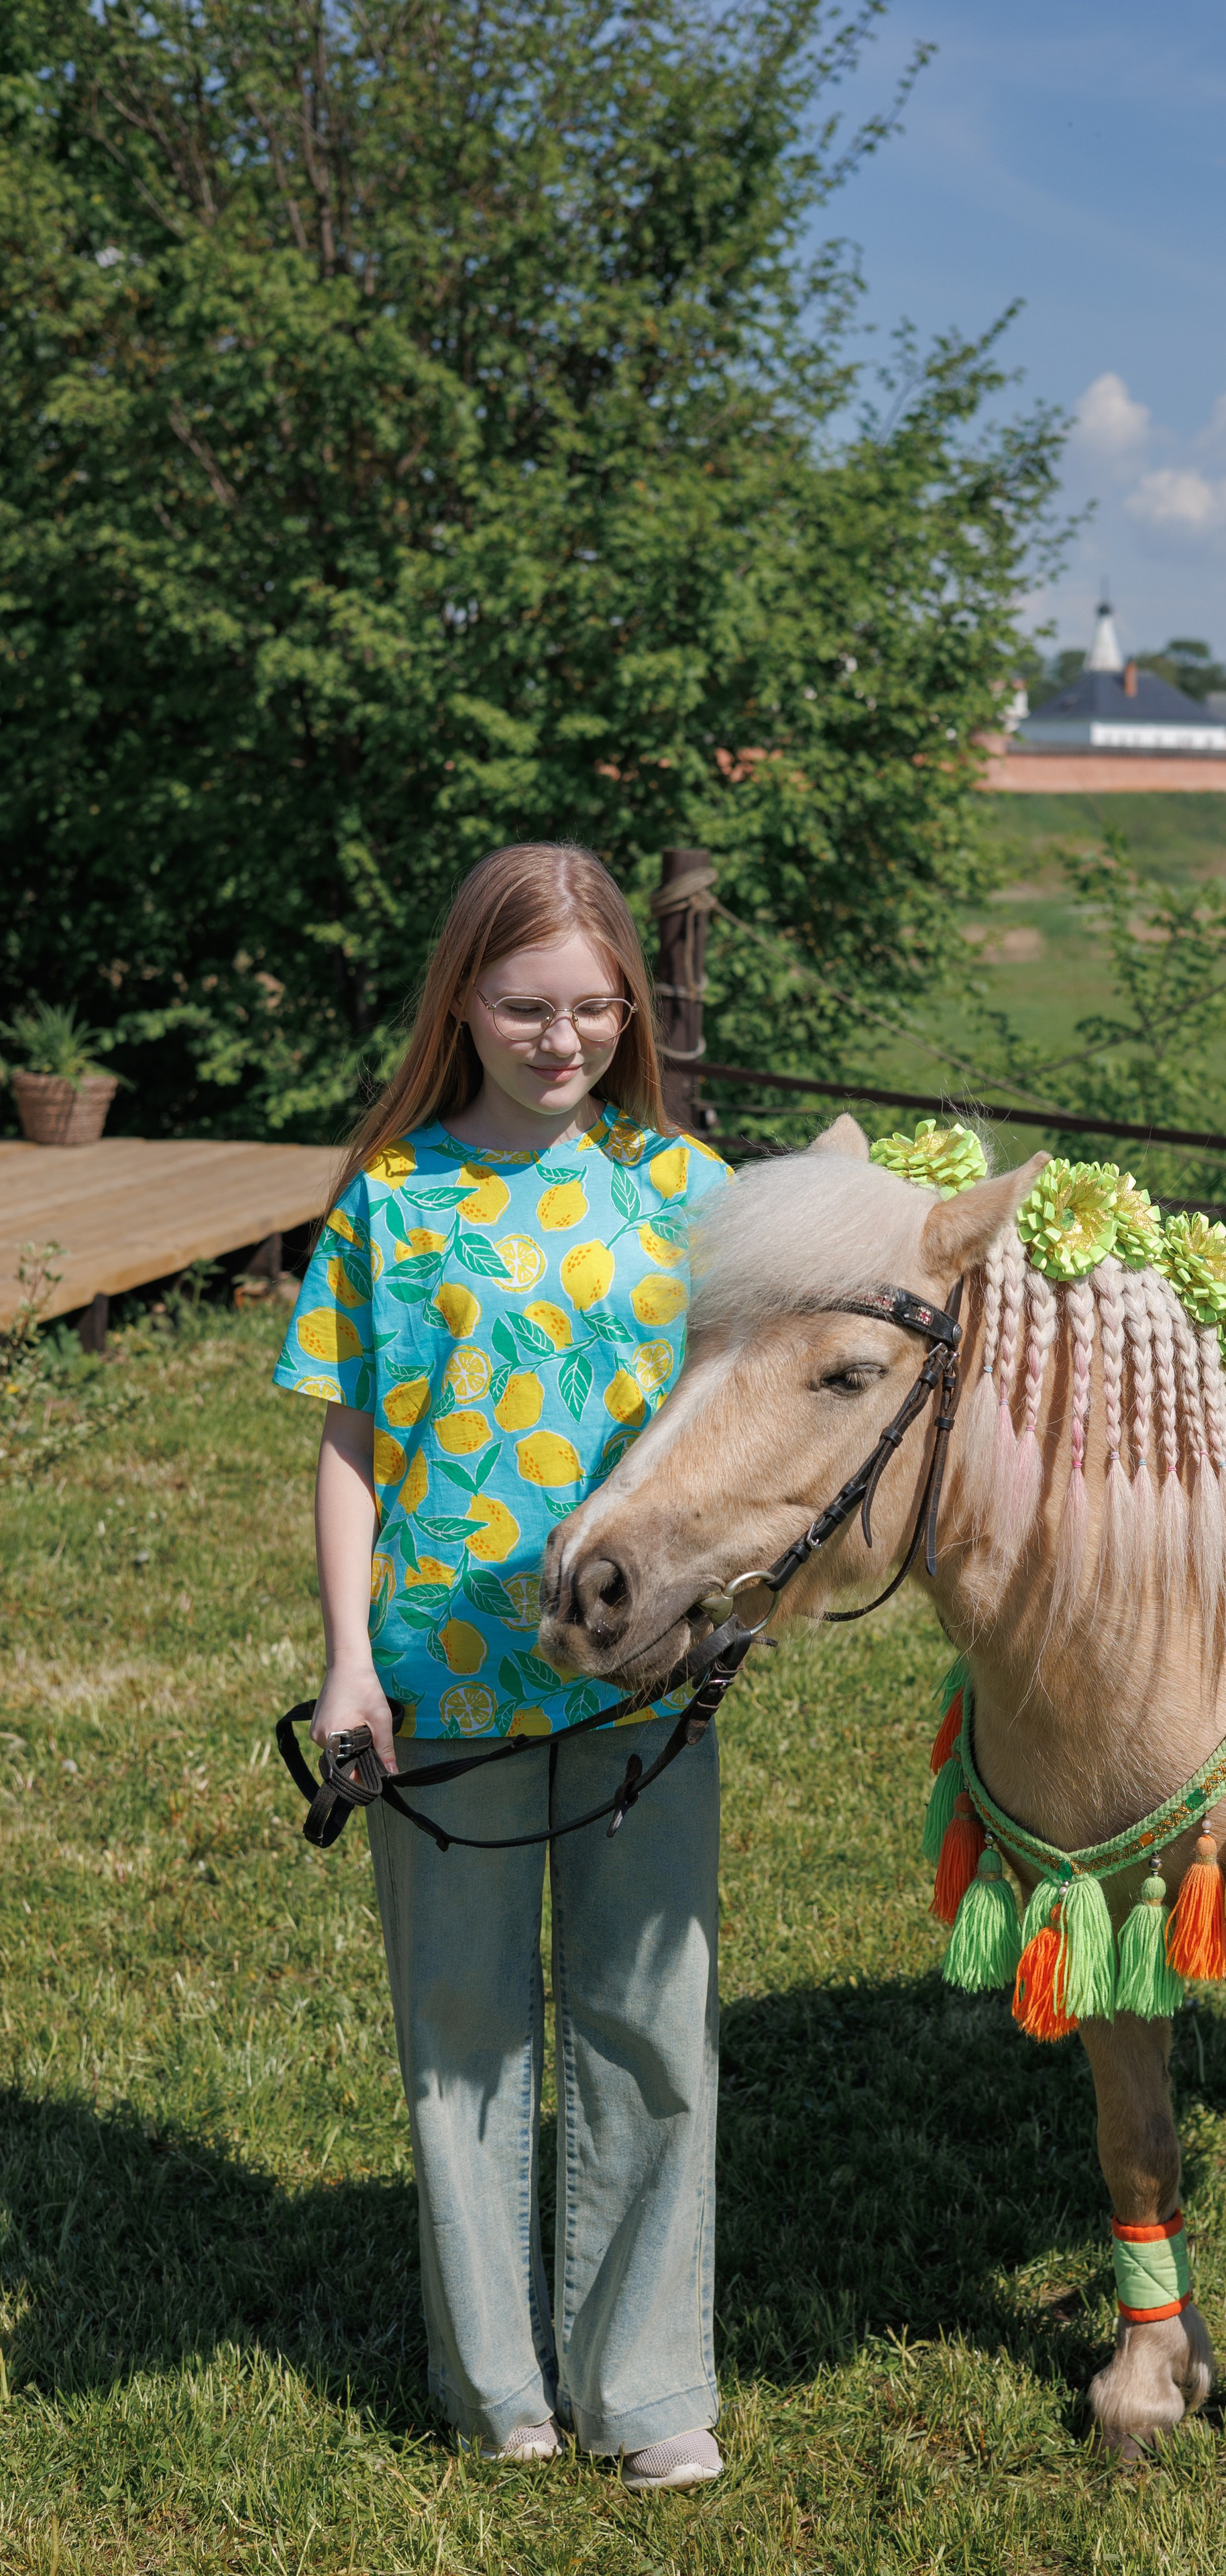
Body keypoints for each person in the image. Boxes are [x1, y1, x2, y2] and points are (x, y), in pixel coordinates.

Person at [274, 841, 729, 2489]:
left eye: (595, 1007)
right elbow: (348, 1441)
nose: (563, 1038)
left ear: (631, 1007)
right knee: (463, 2029)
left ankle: (648, 2384)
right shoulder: (392, 1202)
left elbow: (740, 1432)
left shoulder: (687, 1191)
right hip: (440, 1681)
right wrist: (346, 1665)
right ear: (462, 997)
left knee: (648, 2022)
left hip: (641, 1678)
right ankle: (497, 2386)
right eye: (528, 1006)